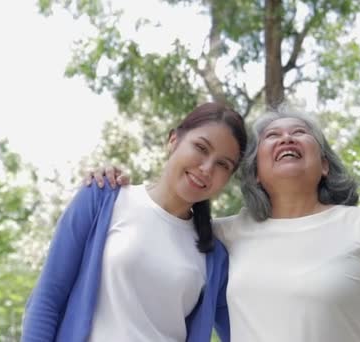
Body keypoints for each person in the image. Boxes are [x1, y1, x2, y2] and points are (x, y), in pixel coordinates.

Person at [92, 105, 360, 341]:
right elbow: (159, 219)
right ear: (255, 173)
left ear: (324, 165)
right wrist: (117, 185)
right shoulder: (224, 236)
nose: (287, 138)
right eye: (273, 136)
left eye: (300, 133)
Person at [22, 102, 248, 342]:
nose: (206, 168)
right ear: (173, 140)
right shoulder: (103, 198)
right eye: (201, 148)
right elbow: (48, 298)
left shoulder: (215, 256)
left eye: (223, 164)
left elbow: (247, 332)